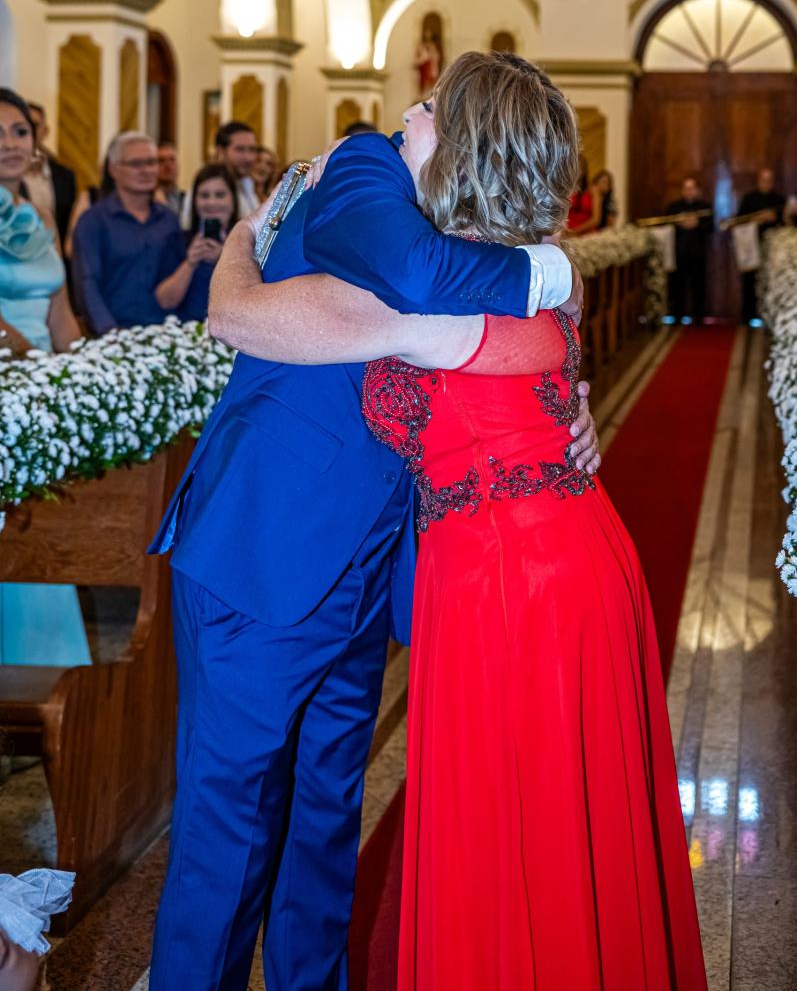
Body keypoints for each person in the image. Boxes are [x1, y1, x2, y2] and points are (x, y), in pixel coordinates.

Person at [212, 52, 706, 989]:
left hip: (513, 579)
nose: (406, 116)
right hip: (543, 554)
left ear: (465, 145)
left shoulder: (430, 298)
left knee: (517, 824)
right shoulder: (524, 276)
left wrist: (244, 235)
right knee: (548, 820)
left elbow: (237, 316)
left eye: (428, 109)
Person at [147, 63, 599, 989]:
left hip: (368, 562)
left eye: (431, 108)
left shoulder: (451, 219)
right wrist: (555, 273)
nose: (408, 113)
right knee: (228, 830)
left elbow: (501, 340)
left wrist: (567, 399)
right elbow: (409, 280)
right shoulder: (363, 165)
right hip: (266, 550)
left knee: (324, 817)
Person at [0, 87, 90, 668]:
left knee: (43, 526)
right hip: (9, 383)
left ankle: (42, 664)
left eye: (19, 132)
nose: (10, 143)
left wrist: (85, 371)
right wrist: (33, 362)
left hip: (39, 387)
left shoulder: (39, 214)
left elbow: (60, 308)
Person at [71, 132, 186, 335]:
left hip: (166, 333)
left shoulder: (168, 219)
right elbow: (87, 284)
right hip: (114, 335)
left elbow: (178, 277)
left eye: (151, 162)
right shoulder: (94, 221)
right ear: (113, 169)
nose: (146, 170)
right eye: (136, 164)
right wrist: (110, 333)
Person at [154, 163, 237, 322]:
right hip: (187, 329)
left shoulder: (250, 242)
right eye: (204, 195)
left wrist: (224, 259)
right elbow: (165, 301)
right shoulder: (177, 240)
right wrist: (190, 263)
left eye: (220, 195)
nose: (211, 202)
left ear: (233, 200)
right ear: (194, 201)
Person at [24, 101, 78, 251]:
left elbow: (69, 224)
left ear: (45, 131)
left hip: (54, 253)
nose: (29, 130)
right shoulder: (7, 173)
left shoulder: (65, 176)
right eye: (23, 126)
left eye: (35, 125)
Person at [737, 167, 785, 324]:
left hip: (773, 246)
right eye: (763, 180)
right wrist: (755, 220)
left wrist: (775, 218)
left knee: (770, 282)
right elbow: (739, 220)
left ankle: (769, 316)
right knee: (749, 281)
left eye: (769, 180)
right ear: (758, 181)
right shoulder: (749, 198)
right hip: (751, 245)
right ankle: (748, 316)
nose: (766, 183)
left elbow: (786, 223)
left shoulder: (779, 199)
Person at [666, 176, 713, 324]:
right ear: (682, 191)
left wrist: (697, 223)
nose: (689, 191)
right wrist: (680, 223)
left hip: (698, 253)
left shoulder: (704, 207)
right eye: (686, 188)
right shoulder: (674, 207)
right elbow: (666, 226)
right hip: (679, 253)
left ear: (697, 190)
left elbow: (711, 227)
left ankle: (698, 317)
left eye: (691, 188)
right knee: (677, 286)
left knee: (698, 286)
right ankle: (677, 316)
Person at [215, 120, 260, 217]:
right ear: (221, 152)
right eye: (240, 149)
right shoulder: (208, 190)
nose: (248, 158)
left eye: (252, 149)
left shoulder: (247, 184)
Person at [155, 141, 189, 224]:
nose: (168, 165)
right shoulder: (146, 201)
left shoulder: (187, 199)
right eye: (161, 161)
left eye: (172, 160)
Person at [566, 155, 595, 234]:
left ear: (584, 170)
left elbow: (596, 219)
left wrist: (576, 231)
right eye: (574, 166)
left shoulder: (593, 189)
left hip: (587, 233)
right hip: (568, 232)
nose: (576, 170)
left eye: (579, 167)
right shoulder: (565, 189)